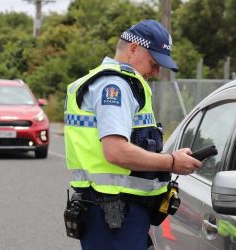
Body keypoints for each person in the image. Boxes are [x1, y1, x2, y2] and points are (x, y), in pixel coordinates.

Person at [64, 19, 202, 250]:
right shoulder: (115, 87)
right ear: (133, 49)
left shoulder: (108, 82)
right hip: (114, 213)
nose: (157, 71)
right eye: (154, 62)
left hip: (114, 211)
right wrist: (171, 162)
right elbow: (116, 151)